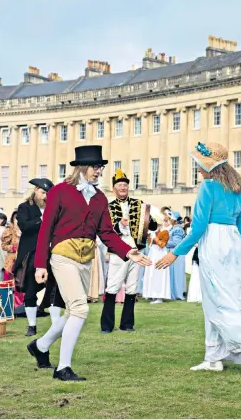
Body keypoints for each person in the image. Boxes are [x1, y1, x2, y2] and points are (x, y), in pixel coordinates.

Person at [27, 145, 151, 381]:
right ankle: (63, 368)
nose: (99, 171)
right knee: (80, 309)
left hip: (86, 259)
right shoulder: (60, 192)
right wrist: (40, 264)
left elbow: (106, 232)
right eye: (96, 167)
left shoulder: (99, 197)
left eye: (100, 167)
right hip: (62, 255)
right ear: (83, 167)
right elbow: (46, 229)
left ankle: (41, 346)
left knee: (73, 310)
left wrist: (128, 252)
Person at [156, 141, 241, 378]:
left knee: (216, 299)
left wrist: (175, 252)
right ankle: (214, 357)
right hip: (234, 244)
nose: (197, 169)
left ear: (211, 167)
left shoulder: (208, 187)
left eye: (199, 165)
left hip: (214, 243)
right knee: (230, 297)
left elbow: (197, 228)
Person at [100, 168, 157, 333]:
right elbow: (106, 229)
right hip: (119, 250)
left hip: (136, 250)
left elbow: (150, 226)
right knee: (112, 286)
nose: (123, 187)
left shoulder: (139, 204)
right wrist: (120, 225)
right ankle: (107, 325)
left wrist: (150, 220)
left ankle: (127, 324)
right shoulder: (108, 207)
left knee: (132, 288)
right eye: (119, 185)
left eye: (125, 184)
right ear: (114, 188)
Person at [13, 178, 55, 337]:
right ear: (36, 190)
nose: (45, 196)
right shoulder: (25, 207)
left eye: (48, 194)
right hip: (31, 253)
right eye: (43, 193)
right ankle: (32, 325)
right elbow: (24, 226)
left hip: (52, 252)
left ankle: (55, 325)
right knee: (30, 291)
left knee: (53, 289)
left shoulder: (53, 207)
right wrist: (41, 220)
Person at [142, 227, 171, 303]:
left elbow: (162, 245)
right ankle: (151, 293)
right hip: (153, 253)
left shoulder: (165, 231)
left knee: (159, 273)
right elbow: (150, 244)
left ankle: (159, 296)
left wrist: (155, 237)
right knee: (151, 272)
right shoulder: (153, 231)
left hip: (160, 254)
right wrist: (149, 236)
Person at [167, 212, 187, 300]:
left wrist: (163, 243)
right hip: (173, 253)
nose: (168, 220)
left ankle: (178, 294)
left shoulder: (177, 229)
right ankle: (173, 293)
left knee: (177, 274)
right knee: (173, 274)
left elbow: (176, 243)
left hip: (177, 254)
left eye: (170, 218)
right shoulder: (174, 229)